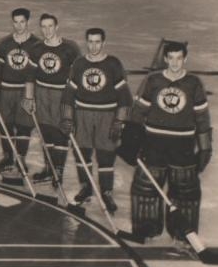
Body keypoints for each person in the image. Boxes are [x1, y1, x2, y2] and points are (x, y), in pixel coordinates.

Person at [125, 41, 211, 239]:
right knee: (146, 189)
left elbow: (202, 117)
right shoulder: (153, 80)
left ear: (185, 59)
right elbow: (138, 113)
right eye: (171, 58)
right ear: (165, 59)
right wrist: (132, 142)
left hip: (183, 146)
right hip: (154, 144)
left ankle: (182, 233)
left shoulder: (193, 83)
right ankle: (146, 228)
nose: (175, 62)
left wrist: (205, 148)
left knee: (185, 191)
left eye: (179, 58)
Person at [61, 28, 132, 211]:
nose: (93, 46)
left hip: (106, 114)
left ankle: (106, 192)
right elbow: (69, 94)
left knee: (106, 155)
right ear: (86, 42)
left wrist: (119, 121)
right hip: (83, 113)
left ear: (103, 42)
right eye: (90, 42)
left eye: (97, 42)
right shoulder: (79, 63)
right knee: (82, 153)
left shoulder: (113, 64)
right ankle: (86, 187)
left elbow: (124, 97)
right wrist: (68, 117)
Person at [23, 13, 81, 183]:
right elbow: (30, 75)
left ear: (57, 27)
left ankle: (58, 172)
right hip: (42, 93)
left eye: (50, 26)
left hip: (61, 94)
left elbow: (77, 75)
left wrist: (74, 100)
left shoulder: (70, 48)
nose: (47, 30)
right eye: (43, 26)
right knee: (45, 131)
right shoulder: (37, 48)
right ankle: (49, 170)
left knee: (60, 132)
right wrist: (29, 97)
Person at [0, 7, 41, 171]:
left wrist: (32, 95)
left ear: (27, 22)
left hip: (25, 91)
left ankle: (20, 159)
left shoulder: (36, 44)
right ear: (12, 22)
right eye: (16, 22)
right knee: (4, 123)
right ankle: (8, 157)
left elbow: (38, 72)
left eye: (22, 22)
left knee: (24, 126)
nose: (19, 26)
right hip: (6, 90)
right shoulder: (4, 43)